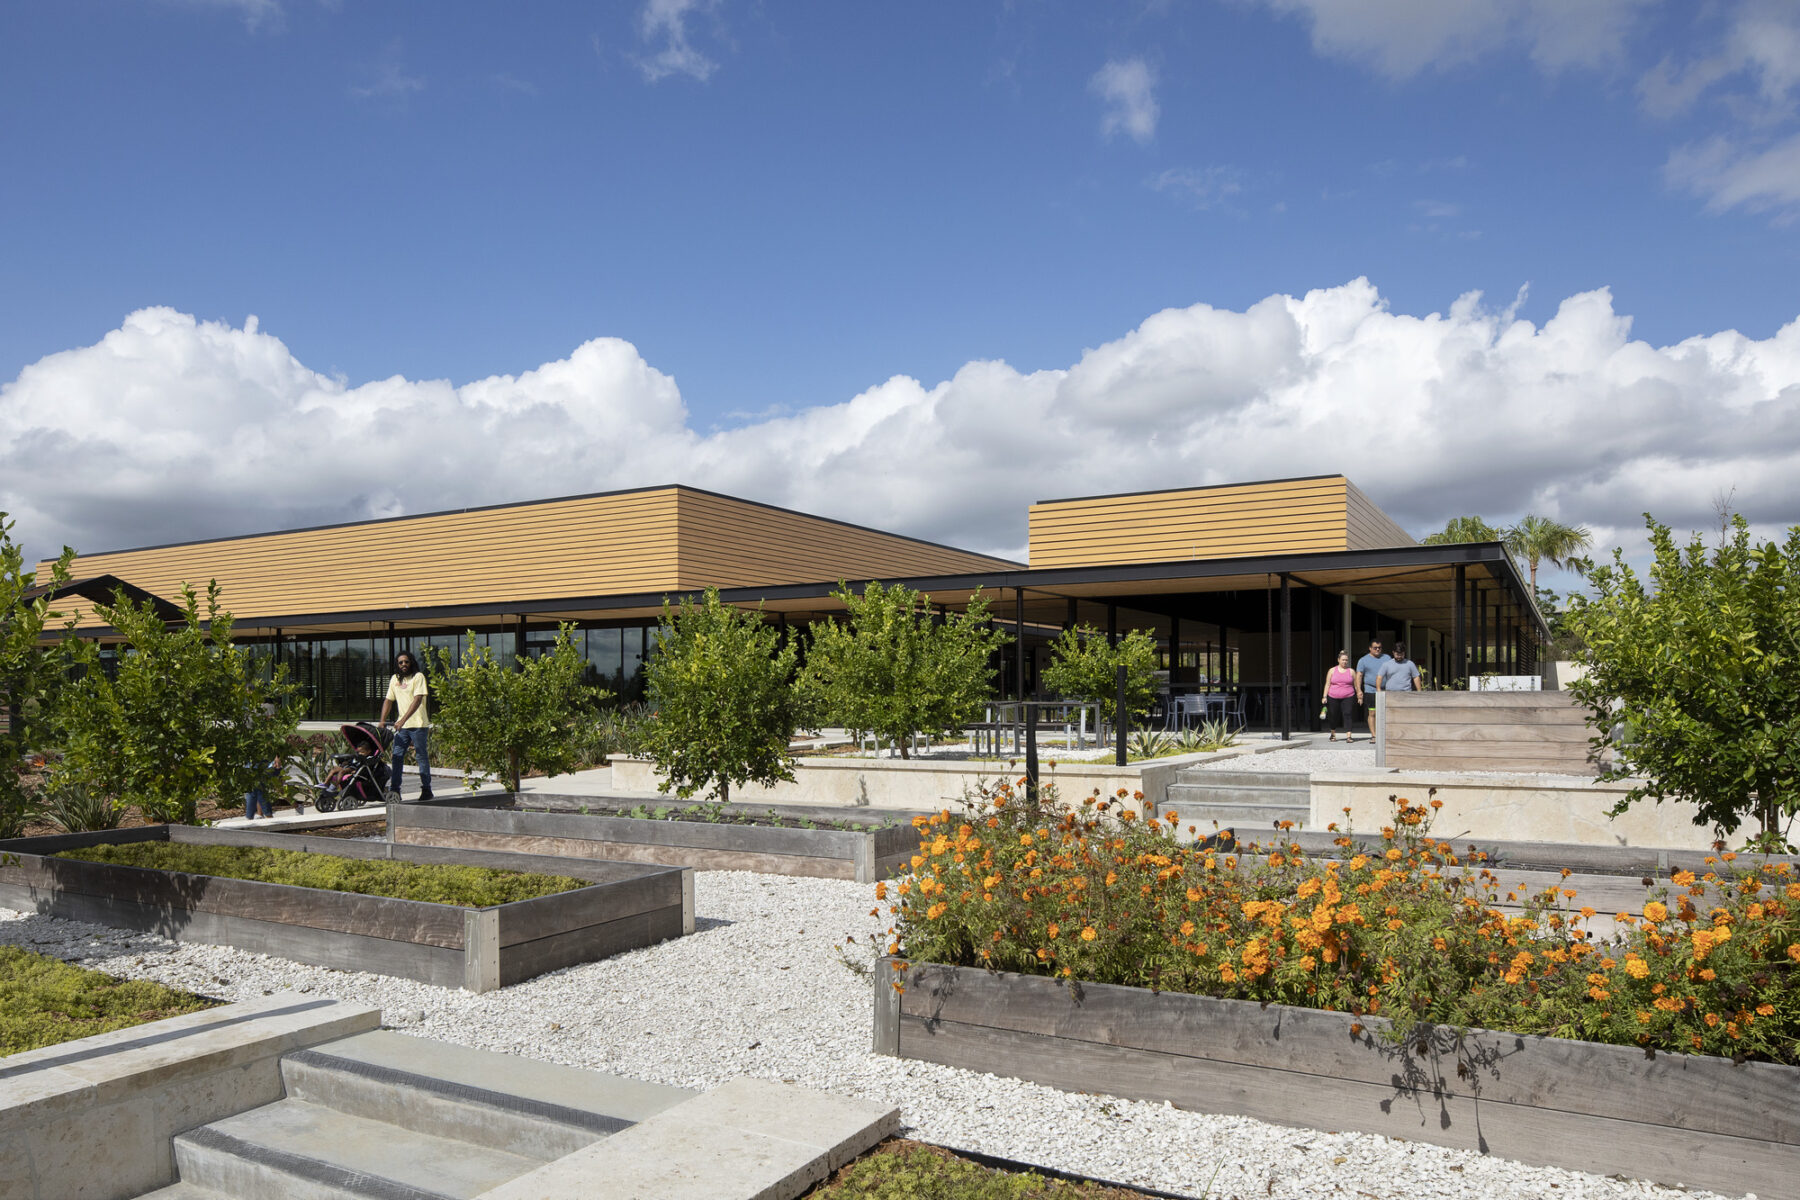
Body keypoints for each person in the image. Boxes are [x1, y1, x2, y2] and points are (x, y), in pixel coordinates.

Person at [379, 651, 434, 802]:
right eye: (400, 662)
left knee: (421, 757)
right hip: (402, 728)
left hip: (418, 726)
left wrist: (402, 720)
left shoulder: (418, 677)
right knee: (396, 757)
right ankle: (395, 790)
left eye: (406, 662)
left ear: (411, 662)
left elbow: (417, 701)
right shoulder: (395, 679)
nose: (403, 665)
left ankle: (427, 790)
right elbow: (388, 700)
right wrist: (382, 721)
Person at [1354, 638, 1391, 740]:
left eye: (1379, 648)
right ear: (1370, 648)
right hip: (1370, 690)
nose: (1378, 650)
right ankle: (1374, 735)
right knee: (1372, 712)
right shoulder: (1363, 660)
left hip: (1385, 690)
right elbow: (1359, 676)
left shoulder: (1387, 658)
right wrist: (1359, 690)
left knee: (1386, 713)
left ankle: (1384, 735)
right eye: (1375, 648)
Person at [1321, 650, 1359, 742]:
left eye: (1346, 660)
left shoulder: (1351, 671)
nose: (1345, 662)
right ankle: (1333, 734)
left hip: (1348, 696)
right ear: (1338, 660)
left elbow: (1356, 685)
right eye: (1343, 660)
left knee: (1348, 714)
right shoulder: (1332, 670)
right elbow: (1327, 684)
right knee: (1333, 715)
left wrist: (1359, 695)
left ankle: (1349, 736)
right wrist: (1324, 696)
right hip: (1333, 696)